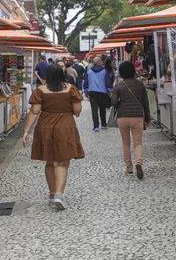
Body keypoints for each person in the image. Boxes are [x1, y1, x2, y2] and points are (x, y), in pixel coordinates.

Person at [23, 64, 84, 210]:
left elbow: (34, 112)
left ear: (47, 76)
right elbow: (77, 109)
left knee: (50, 162)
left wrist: (26, 131)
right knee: (61, 163)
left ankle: (52, 193)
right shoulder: (71, 89)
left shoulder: (40, 90)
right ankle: (59, 194)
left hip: (45, 127)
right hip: (65, 126)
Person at [111, 61, 151, 179]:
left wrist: (121, 104)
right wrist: (147, 118)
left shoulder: (118, 86)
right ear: (133, 71)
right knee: (138, 143)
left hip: (122, 117)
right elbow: (145, 104)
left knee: (125, 143)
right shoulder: (140, 85)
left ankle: (129, 169)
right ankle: (139, 162)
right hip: (137, 116)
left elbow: (113, 102)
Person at [83, 56, 112, 131]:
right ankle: (103, 124)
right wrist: (110, 90)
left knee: (94, 109)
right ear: (100, 62)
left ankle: (96, 125)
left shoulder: (89, 71)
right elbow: (108, 81)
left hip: (92, 92)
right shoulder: (104, 70)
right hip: (102, 92)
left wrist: (86, 91)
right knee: (102, 109)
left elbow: (86, 82)